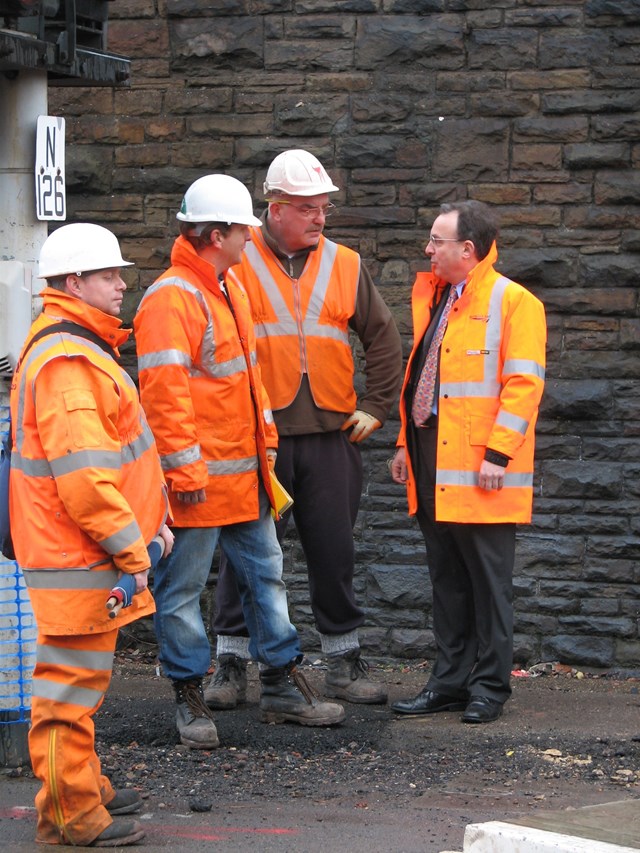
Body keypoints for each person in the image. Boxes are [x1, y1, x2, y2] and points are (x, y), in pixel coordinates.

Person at [133, 174, 344, 750]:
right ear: (216, 233)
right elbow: (164, 393)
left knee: (266, 578)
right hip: (200, 482)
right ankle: (188, 691)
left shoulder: (226, 288)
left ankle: (278, 682)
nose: (252, 238)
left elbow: (247, 383)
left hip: (243, 476)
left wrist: (265, 447)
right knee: (182, 591)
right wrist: (183, 473)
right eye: (244, 230)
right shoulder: (174, 296)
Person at [206, 150, 403, 710]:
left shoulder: (344, 263)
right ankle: (230, 666)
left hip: (329, 435)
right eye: (309, 209)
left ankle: (343, 664)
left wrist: (380, 404)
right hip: (257, 438)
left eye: (324, 208)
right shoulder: (235, 263)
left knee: (334, 551)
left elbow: (383, 338)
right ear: (275, 209)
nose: (321, 218)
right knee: (245, 554)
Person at [9, 223, 174, 847]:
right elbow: (84, 478)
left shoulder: (71, 347)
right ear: (74, 282)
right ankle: (70, 815)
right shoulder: (70, 360)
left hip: (78, 552)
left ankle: (85, 787)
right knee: (68, 693)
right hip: (80, 554)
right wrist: (135, 550)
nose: (121, 284)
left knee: (79, 684)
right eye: (109, 275)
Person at [389, 200, 546, 724]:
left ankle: (489, 688)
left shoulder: (514, 302)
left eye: (436, 240)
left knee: (487, 582)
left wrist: (499, 454)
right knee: (448, 579)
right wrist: (403, 449)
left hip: (483, 466)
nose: (428, 249)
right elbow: (422, 382)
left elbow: (523, 386)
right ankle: (450, 682)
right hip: (433, 455)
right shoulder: (441, 299)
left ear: (467, 249)